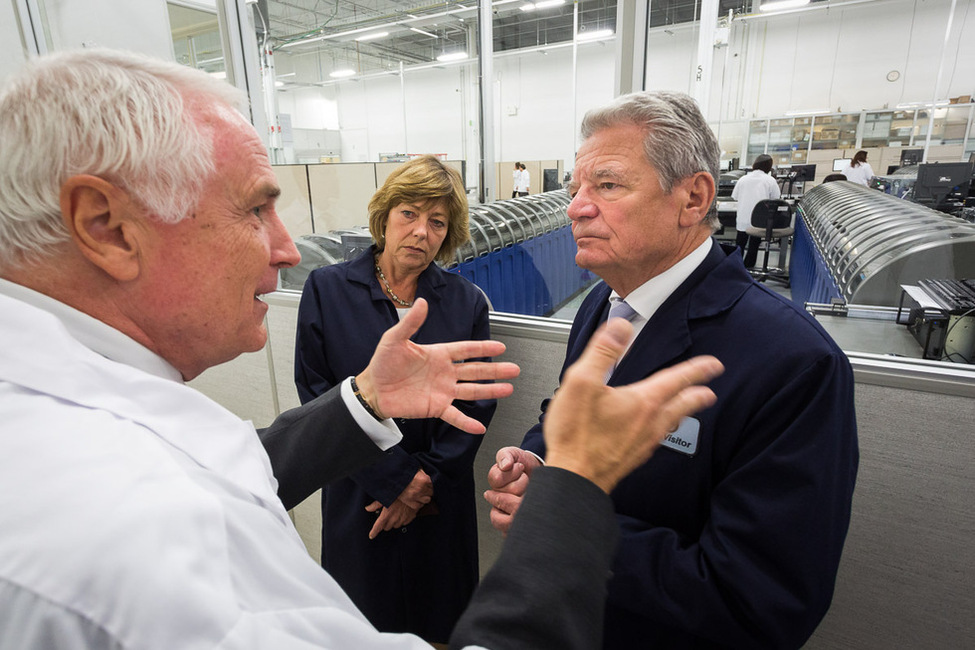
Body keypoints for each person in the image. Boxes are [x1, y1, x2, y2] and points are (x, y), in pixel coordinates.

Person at [0, 49, 725, 650]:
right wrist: (572, 492)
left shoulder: (75, 406)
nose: (285, 248)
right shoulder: (109, 542)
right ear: (107, 226)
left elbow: (223, 467)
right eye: (255, 207)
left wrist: (364, 404)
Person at [485, 91, 859, 649]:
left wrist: (569, 522)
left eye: (607, 185)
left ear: (692, 197)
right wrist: (539, 458)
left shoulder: (793, 362)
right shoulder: (605, 303)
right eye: (575, 189)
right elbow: (573, 407)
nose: (576, 207)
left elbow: (761, 601)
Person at [294, 156, 491, 644]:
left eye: (437, 221)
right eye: (409, 213)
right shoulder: (328, 289)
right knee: (361, 627)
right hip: (358, 493)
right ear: (384, 217)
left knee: (440, 625)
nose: (421, 232)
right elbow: (315, 389)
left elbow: (474, 402)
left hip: (438, 501)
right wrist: (393, 480)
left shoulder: (466, 301)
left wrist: (422, 482)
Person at [731, 153, 781, 268]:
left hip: (742, 220)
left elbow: (735, 197)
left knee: (740, 244)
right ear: (769, 166)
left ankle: (736, 269)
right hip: (759, 222)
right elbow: (776, 199)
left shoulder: (743, 179)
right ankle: (749, 269)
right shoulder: (770, 180)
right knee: (754, 245)